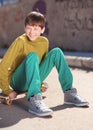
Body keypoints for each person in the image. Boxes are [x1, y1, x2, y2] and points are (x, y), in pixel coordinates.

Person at [0, 11, 89, 117]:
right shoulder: (20, 41)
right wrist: (7, 89)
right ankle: (34, 99)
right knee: (33, 56)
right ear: (24, 28)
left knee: (57, 52)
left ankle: (69, 92)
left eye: (36, 29)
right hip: (17, 81)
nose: (32, 32)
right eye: (29, 28)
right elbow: (4, 65)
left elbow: (40, 66)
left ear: (42, 30)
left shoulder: (44, 42)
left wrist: (40, 83)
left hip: (31, 80)